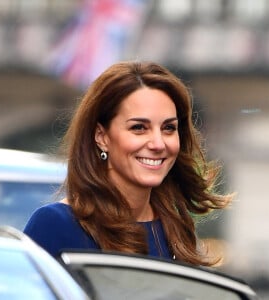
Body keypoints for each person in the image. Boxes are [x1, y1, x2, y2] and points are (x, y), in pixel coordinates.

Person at [24, 61, 233, 266]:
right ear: (101, 136)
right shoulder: (55, 225)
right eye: (139, 128)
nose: (158, 143)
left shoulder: (174, 228)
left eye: (168, 128)